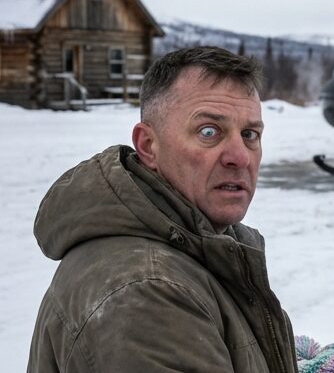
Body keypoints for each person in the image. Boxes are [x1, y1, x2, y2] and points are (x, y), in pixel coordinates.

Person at [28, 46, 298, 372]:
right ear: (148, 146)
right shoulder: (146, 291)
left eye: (249, 134)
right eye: (209, 132)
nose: (240, 157)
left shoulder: (195, 247)